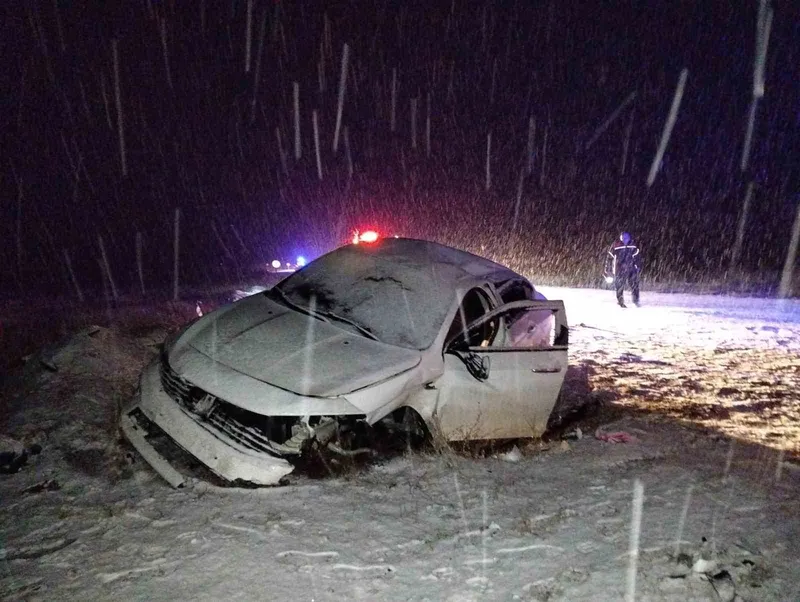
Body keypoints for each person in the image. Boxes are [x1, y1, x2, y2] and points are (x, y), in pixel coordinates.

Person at [604, 231, 641, 308]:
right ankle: (620, 301)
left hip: (631, 269)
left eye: (627, 238)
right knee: (619, 286)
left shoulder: (633, 245)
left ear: (629, 238)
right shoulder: (616, 245)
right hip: (619, 269)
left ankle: (636, 300)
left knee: (634, 285)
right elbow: (609, 258)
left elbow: (637, 257)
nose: (625, 239)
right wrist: (608, 269)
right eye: (624, 238)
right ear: (621, 238)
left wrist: (637, 266)